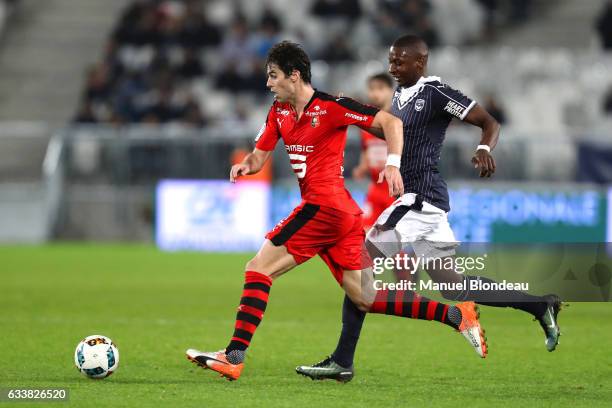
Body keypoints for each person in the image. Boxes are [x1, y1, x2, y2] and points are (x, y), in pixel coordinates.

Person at [186, 41, 487, 381]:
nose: (268, 84)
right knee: (365, 296)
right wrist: (246, 165)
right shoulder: (279, 112)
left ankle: (234, 355)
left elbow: (392, 124)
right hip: (342, 215)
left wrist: (392, 164)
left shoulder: (332, 106)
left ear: (294, 76)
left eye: (273, 76)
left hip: (324, 207)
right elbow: (260, 154)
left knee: (258, 268)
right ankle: (456, 317)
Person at [296, 34, 562, 382]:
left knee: (357, 262)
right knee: (454, 287)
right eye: (390, 60)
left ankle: (342, 361)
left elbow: (489, 122)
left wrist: (485, 148)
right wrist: (353, 111)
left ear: (419, 63)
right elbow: (397, 136)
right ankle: (539, 304)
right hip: (427, 203)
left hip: (418, 200)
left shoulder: (435, 92)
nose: (392, 66)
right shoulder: (400, 97)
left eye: (399, 61)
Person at [352, 73, 397, 230]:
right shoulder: (367, 123)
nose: (375, 93)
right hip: (376, 189)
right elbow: (367, 149)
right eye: (371, 89)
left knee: (393, 242)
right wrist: (362, 167)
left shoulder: (399, 121)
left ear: (391, 91)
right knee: (365, 234)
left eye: (380, 88)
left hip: (397, 191)